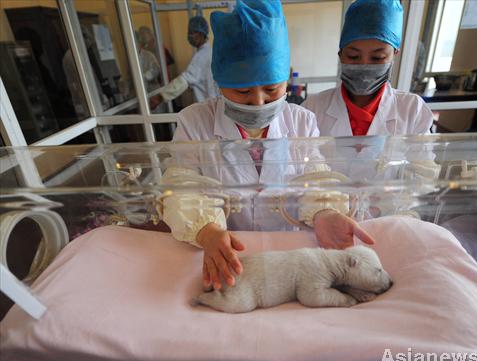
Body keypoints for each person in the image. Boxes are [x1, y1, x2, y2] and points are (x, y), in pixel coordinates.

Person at [160, 0, 374, 291]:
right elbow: (182, 186)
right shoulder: (195, 122)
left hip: (288, 250)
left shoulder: (301, 122)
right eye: (243, 91)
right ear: (219, 82)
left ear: (286, 80)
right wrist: (206, 231)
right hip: (225, 251)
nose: (258, 102)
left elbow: (317, 179)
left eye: (272, 89)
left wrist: (325, 213)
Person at [302, 0, 433, 137]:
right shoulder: (312, 108)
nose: (364, 66)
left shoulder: (412, 110)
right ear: (340, 55)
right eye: (353, 56)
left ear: (394, 55)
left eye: (377, 57)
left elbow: (423, 158)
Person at [150, 16, 218, 108]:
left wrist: (160, 97)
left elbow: (184, 80)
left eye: (192, 32)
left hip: (208, 106)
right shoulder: (210, 52)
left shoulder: (201, 56)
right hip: (213, 105)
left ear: (202, 34)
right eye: (189, 33)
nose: (189, 36)